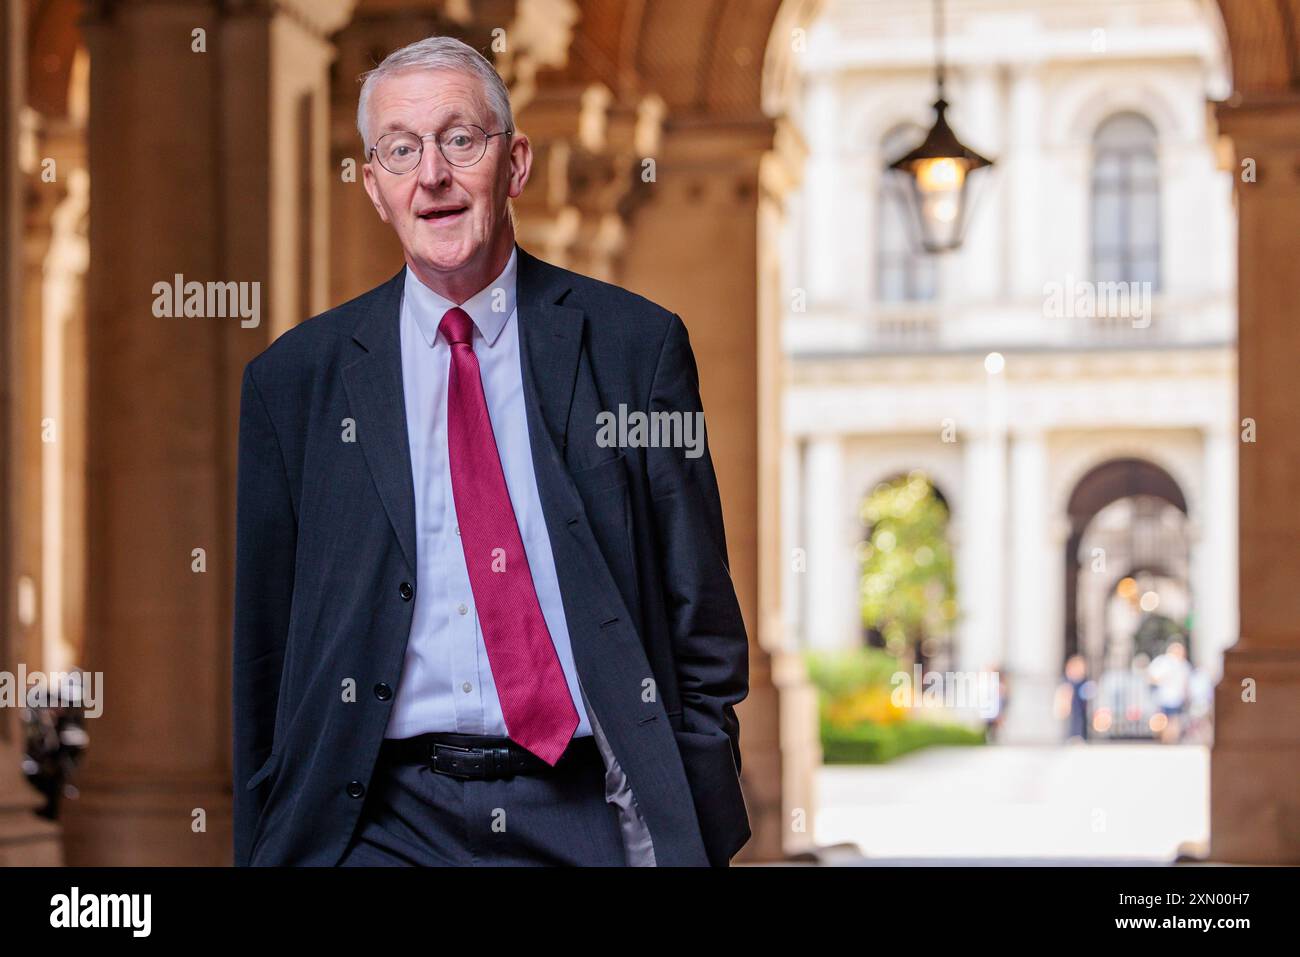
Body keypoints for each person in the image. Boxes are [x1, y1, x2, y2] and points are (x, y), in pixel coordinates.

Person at [232, 36, 750, 867]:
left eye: (460, 140)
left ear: (515, 163)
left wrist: (694, 790)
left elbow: (702, 613)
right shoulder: (294, 382)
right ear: (374, 187)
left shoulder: (635, 349)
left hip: (580, 806)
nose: (431, 173)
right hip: (377, 817)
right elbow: (264, 652)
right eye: (401, 149)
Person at [1147, 640, 1192, 743]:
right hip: (1167, 696)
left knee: (1170, 719)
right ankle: (1168, 738)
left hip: (1171, 696)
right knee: (1170, 719)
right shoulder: (1168, 663)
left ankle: (1168, 738)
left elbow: (1152, 676)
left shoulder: (1181, 665)